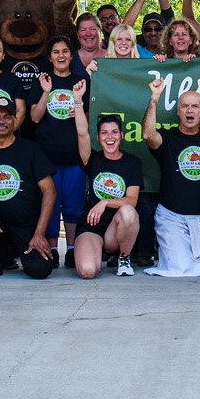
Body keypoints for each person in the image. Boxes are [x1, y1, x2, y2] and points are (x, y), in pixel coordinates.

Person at [141, 77, 200, 277]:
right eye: (184, 106)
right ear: (178, 112)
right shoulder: (168, 138)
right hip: (171, 217)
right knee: (180, 267)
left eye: (194, 106)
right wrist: (154, 98)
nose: (189, 111)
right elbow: (148, 135)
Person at [0, 97, 57, 278]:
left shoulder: (31, 150)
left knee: (41, 270)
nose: (1, 121)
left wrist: (39, 234)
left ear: (15, 120)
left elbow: (50, 191)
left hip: (25, 228)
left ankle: (13, 253)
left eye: (7, 117)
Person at [29, 36, 89, 267]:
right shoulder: (42, 81)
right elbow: (34, 117)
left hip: (74, 154)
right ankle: (52, 248)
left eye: (65, 51)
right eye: (56, 52)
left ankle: (72, 249)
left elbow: (89, 116)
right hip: (47, 155)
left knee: (73, 204)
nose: (61, 55)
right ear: (50, 57)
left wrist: (78, 107)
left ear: (71, 56)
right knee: (51, 204)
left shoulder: (80, 81)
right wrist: (46, 92)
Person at [72, 96, 142, 278]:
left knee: (128, 212)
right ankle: (95, 254)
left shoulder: (132, 163)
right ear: (98, 137)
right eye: (104, 133)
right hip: (92, 225)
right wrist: (77, 99)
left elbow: (132, 200)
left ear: (122, 135)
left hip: (116, 230)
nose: (109, 137)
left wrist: (104, 201)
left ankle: (124, 258)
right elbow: (81, 133)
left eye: (114, 132)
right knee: (87, 271)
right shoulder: (92, 158)